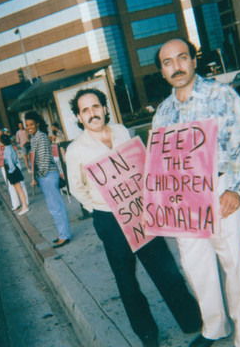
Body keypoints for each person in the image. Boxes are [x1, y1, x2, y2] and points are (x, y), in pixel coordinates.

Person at [65, 88, 202, 347]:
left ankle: (192, 320)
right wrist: (99, 207)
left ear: (104, 108)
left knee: (165, 269)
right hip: (110, 221)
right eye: (85, 110)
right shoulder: (75, 151)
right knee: (127, 280)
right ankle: (147, 333)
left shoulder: (121, 131)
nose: (92, 113)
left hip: (141, 212)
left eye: (96, 107)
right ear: (79, 117)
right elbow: (77, 188)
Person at [153, 38, 240, 347]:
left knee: (237, 270)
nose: (177, 66)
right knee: (197, 269)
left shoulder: (222, 96)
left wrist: (237, 190)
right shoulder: (162, 114)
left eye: (182, 58)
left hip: (221, 191)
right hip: (184, 201)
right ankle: (215, 327)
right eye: (168, 62)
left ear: (193, 60)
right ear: (162, 71)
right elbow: (160, 165)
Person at [24, 111, 71, 248]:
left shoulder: (41, 137)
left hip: (48, 175)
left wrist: (39, 176)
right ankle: (62, 233)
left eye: (31, 124)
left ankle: (64, 235)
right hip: (46, 176)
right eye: (27, 125)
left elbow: (44, 159)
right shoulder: (35, 137)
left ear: (37, 124)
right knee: (54, 206)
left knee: (56, 206)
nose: (29, 127)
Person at [0, 129, 29, 211]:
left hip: (11, 169)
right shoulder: (0, 146)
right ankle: (17, 204)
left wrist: (10, 171)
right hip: (7, 168)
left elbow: (11, 160)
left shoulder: (8, 147)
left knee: (20, 187)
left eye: (0, 136)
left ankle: (25, 204)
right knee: (12, 187)